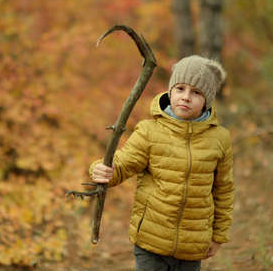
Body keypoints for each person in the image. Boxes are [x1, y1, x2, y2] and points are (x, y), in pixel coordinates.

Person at [90, 55, 234, 271]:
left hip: (192, 243)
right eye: (180, 89)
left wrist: (218, 236)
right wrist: (101, 169)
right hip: (151, 240)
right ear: (170, 91)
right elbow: (123, 163)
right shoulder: (150, 131)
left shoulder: (219, 139)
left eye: (196, 92)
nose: (186, 97)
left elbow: (223, 190)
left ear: (207, 100)